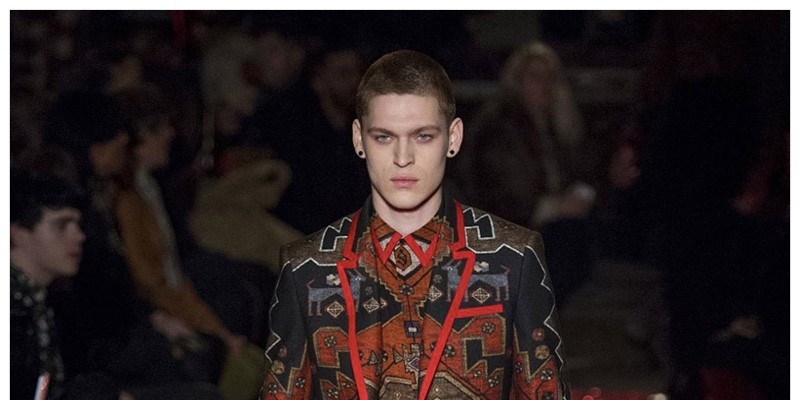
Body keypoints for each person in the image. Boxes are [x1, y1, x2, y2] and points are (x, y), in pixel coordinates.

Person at [260, 50, 568, 400]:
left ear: (453, 138)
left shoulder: (514, 259)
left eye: (423, 136)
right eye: (384, 137)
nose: (403, 158)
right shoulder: (305, 269)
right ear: (359, 139)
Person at [451, 41, 595, 306]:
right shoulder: (500, 126)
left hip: (546, 224)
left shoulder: (555, 126)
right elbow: (501, 191)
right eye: (536, 77)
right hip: (506, 228)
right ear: (518, 82)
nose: (545, 85)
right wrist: (553, 207)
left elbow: (578, 170)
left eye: (550, 78)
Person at [10, 168, 130, 400]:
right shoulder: (14, 310)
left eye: (77, 225)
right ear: (17, 233)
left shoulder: (44, 301)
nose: (79, 236)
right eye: (62, 225)